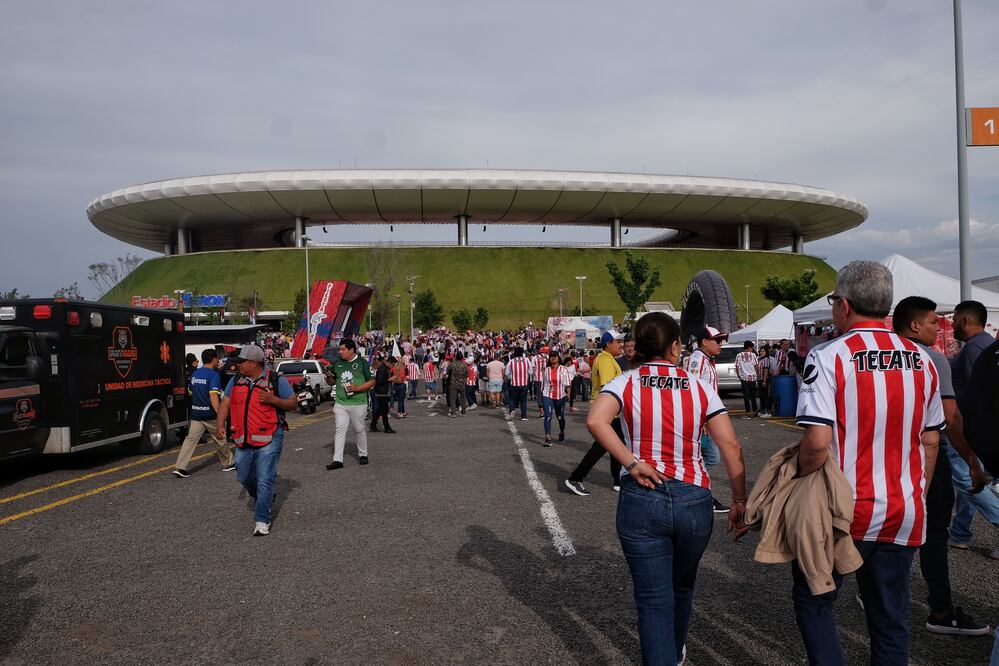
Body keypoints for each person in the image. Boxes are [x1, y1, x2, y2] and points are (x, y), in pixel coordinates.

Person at [794, 261, 945, 664]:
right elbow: (931, 440)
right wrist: (918, 493)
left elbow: (817, 442)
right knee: (890, 617)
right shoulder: (923, 360)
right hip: (903, 509)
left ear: (843, 305)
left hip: (843, 510)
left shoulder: (830, 356)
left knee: (815, 601)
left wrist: (796, 484)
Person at [587, 312, 748, 665]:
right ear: (675, 346)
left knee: (652, 597)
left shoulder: (627, 381)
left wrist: (631, 462)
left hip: (642, 492)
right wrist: (739, 499)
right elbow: (731, 447)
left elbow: (596, 420)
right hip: (693, 495)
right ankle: (675, 650)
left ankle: (666, 656)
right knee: (683, 584)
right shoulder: (699, 386)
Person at [891, 296, 991, 636]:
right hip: (924, 461)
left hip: (882, 464)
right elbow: (950, 417)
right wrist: (973, 462)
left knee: (883, 533)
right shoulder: (932, 358)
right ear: (915, 324)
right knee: (932, 535)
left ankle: (877, 592)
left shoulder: (876, 357)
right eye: (934, 321)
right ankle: (941, 610)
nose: (940, 327)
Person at [215, 345, 297, 536]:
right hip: (243, 437)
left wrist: (273, 399)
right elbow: (225, 403)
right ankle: (264, 497)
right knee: (243, 476)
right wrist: (221, 424)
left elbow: (293, 403)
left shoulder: (276, 380)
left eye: (241, 362)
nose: (237, 366)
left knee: (265, 478)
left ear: (253, 363)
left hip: (270, 436)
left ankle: (262, 519)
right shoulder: (236, 380)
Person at [947, 300, 999, 555]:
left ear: (965, 320)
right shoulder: (982, 345)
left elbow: (979, 396)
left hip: (965, 427)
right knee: (970, 481)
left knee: (966, 477)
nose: (952, 323)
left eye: (955, 318)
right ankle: (960, 533)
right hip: (971, 428)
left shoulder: (977, 349)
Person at [564, 330, 624, 496]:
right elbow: (608, 386)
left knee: (617, 444)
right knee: (603, 446)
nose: (621, 345)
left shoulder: (608, 358)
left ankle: (618, 480)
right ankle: (576, 478)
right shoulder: (605, 359)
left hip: (610, 411)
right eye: (617, 342)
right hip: (607, 410)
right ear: (608, 344)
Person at [687, 326, 730, 513]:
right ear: (704, 341)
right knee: (711, 457)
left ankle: (697, 492)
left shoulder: (706, 359)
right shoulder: (698, 360)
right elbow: (693, 390)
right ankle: (696, 492)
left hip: (708, 417)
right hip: (703, 419)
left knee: (706, 458)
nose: (721, 344)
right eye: (717, 341)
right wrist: (701, 419)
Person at [173, 348, 234, 477]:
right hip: (209, 414)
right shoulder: (213, 375)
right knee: (220, 437)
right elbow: (213, 396)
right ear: (213, 359)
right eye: (217, 358)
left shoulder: (196, 374)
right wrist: (219, 414)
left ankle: (180, 467)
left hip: (196, 414)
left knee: (190, 440)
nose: (218, 360)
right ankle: (228, 463)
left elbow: (190, 391)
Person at [325, 339, 376, 470]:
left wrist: (357, 389)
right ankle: (337, 460)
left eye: (343, 349)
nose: (340, 352)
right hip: (341, 403)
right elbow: (332, 382)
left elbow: (372, 382)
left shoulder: (362, 363)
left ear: (351, 349)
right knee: (340, 429)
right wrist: (329, 377)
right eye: (339, 350)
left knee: (359, 429)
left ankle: (363, 455)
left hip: (358, 402)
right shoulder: (337, 364)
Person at [540, 350, 571, 446]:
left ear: (558, 358)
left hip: (560, 396)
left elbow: (568, 383)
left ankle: (562, 431)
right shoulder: (546, 370)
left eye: (555, 356)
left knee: (560, 417)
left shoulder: (564, 369)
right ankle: (547, 437)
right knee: (548, 416)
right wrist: (541, 395)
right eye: (551, 356)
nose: (553, 358)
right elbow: (543, 384)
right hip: (547, 395)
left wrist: (568, 394)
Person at [371, 355, 397, 434]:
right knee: (384, 410)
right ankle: (387, 427)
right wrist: (389, 379)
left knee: (380, 410)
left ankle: (373, 425)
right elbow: (379, 380)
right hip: (382, 392)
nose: (392, 366)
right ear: (389, 362)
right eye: (392, 365)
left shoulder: (387, 368)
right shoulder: (382, 368)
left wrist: (392, 378)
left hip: (385, 392)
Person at [506, 347, 532, 421]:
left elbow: (507, 373)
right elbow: (531, 371)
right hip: (524, 384)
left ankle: (512, 409)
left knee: (511, 399)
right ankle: (523, 416)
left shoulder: (511, 361)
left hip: (514, 383)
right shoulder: (526, 360)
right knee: (523, 401)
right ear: (522, 353)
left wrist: (512, 374)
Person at [734, 341, 759, 418]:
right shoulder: (753, 355)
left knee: (746, 396)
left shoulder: (738, 355)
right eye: (752, 347)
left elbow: (737, 366)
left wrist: (739, 375)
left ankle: (748, 412)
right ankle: (755, 411)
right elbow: (756, 366)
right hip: (753, 378)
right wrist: (757, 374)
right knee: (753, 396)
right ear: (749, 347)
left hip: (744, 378)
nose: (752, 349)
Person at [447, 352, 469, 417]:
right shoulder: (464, 365)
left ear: (456, 357)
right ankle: (463, 412)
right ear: (462, 357)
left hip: (453, 383)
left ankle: (453, 413)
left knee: (453, 398)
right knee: (463, 398)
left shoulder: (452, 364)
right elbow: (467, 374)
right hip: (462, 383)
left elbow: (448, 372)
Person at [756, 347, 772, 418]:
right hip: (759, 379)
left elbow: (766, 370)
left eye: (763, 351)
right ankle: (762, 410)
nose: (761, 352)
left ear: (766, 352)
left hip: (764, 379)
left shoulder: (766, 359)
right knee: (761, 396)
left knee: (765, 395)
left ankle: (768, 411)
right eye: (760, 351)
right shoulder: (759, 359)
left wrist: (764, 380)